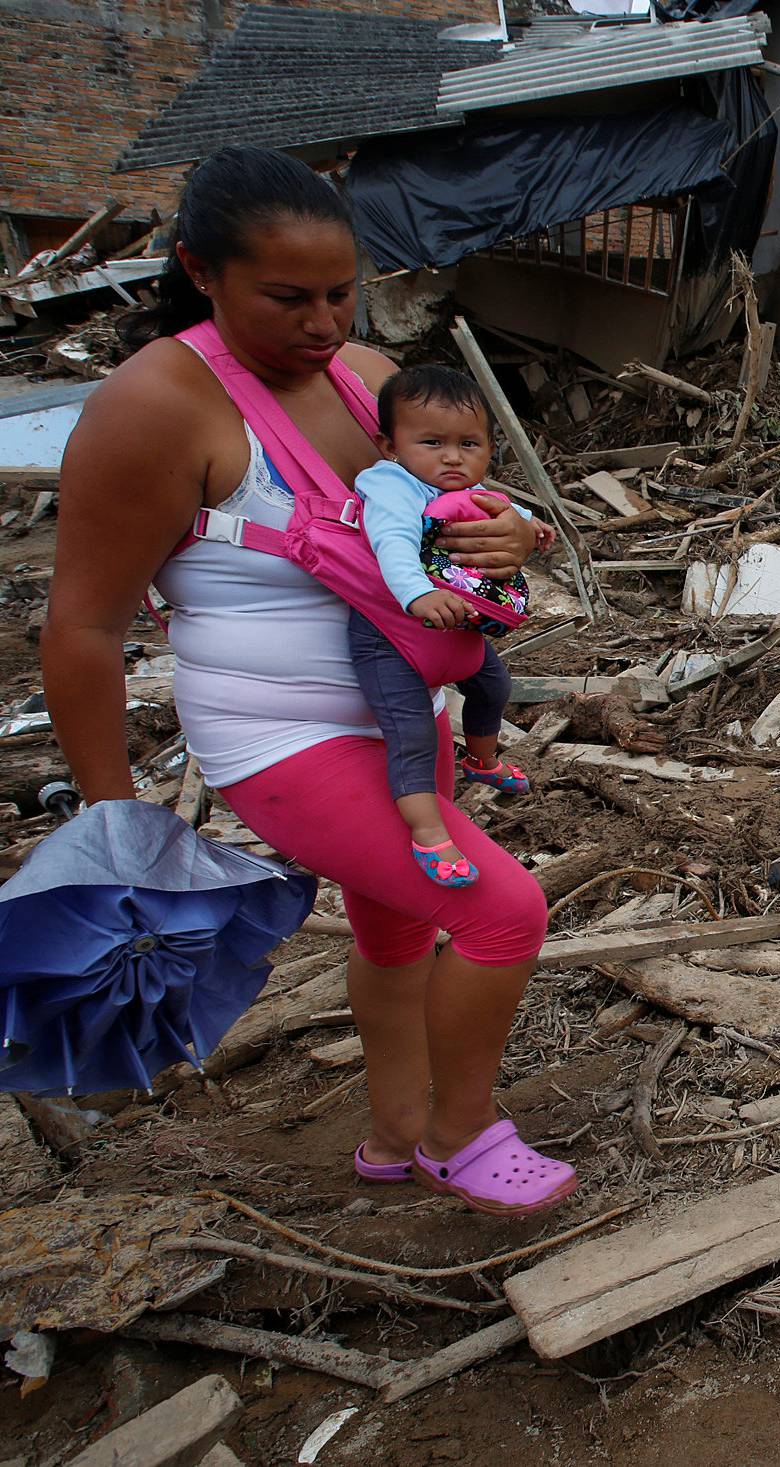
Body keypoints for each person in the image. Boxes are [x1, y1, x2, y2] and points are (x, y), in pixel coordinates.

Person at [44, 146, 575, 1217]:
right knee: (502, 912)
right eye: (289, 298)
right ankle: (463, 1137)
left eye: (343, 293)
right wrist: (115, 823)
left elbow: (471, 519)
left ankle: (392, 1134)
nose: (326, 324)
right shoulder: (155, 406)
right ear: (200, 268)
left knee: (398, 933)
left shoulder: (373, 382)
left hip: (400, 713)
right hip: (281, 738)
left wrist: (522, 540)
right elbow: (84, 626)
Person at [354, 366, 550, 888]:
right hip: (392, 635)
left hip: (456, 630)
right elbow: (391, 542)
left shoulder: (470, 486)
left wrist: (531, 527)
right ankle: (427, 832)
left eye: (469, 443)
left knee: (493, 684)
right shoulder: (393, 485)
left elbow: (503, 508)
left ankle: (481, 759)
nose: (452, 457)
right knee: (412, 732)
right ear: (390, 445)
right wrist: (418, 592)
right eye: (432, 442)